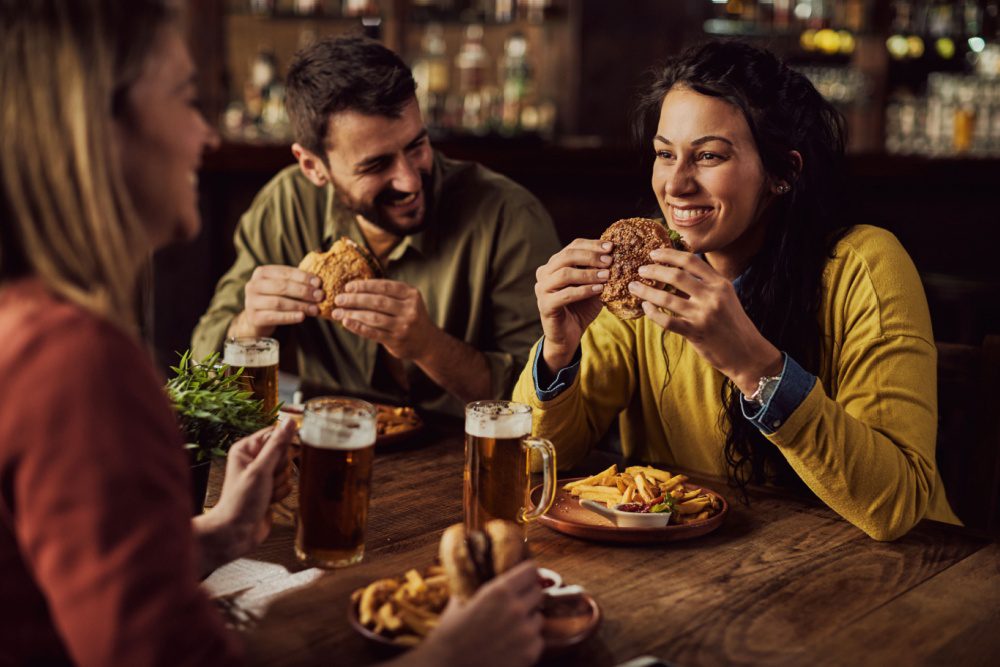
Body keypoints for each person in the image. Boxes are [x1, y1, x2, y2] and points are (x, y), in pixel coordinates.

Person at [0, 3, 543, 666]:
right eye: (184, 99)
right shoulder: (76, 362)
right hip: (318, 502)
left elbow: (89, 576)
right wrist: (449, 657)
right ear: (99, 134)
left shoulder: (34, 329)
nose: (206, 134)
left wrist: (218, 534)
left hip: (437, 499)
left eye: (418, 145)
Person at [513, 41, 960, 542]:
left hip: (903, 577)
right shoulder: (642, 277)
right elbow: (536, 462)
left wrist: (754, 366)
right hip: (711, 567)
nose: (676, 185)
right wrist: (557, 352)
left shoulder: (865, 267)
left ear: (783, 173)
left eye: (708, 156)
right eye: (665, 154)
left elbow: (895, 507)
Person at [191, 35, 560, 417]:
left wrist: (428, 346)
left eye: (417, 146)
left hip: (461, 456)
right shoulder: (286, 206)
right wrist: (250, 325)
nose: (410, 181)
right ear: (313, 167)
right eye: (376, 165)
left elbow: (544, 405)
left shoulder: (509, 216)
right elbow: (200, 371)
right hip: (324, 448)